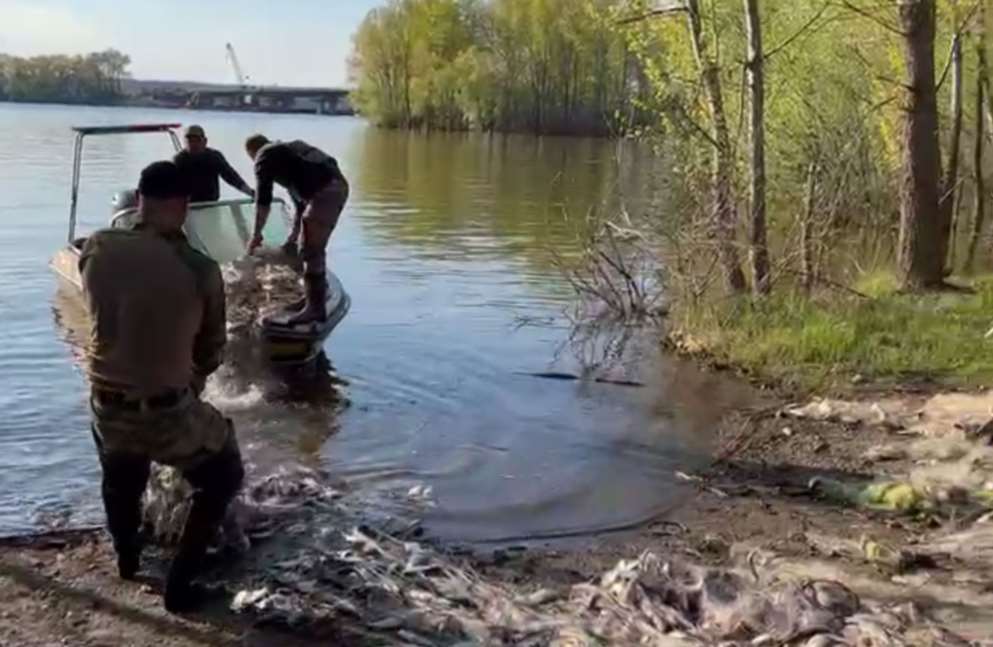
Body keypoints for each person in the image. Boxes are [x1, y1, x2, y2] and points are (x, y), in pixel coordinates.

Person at [79, 160, 244, 614]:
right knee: (224, 474)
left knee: (121, 476)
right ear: (184, 206)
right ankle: (181, 585)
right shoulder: (199, 267)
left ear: (139, 200)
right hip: (166, 411)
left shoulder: (97, 246)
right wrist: (189, 382)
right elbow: (211, 350)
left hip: (105, 405)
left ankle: (127, 558)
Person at [244, 134, 349, 324]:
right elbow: (301, 203)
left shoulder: (264, 157)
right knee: (305, 245)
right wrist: (293, 235)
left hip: (325, 192)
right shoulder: (288, 153)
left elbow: (263, 200)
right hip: (335, 186)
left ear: (252, 152)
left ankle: (315, 309)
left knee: (311, 250)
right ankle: (314, 297)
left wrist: (256, 234)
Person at [173, 125, 254, 203]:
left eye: (197, 140)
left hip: (211, 205)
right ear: (185, 142)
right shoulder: (179, 160)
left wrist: (251, 193)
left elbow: (232, 177)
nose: (193, 144)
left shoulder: (214, 157)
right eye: (190, 141)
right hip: (187, 207)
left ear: (205, 141)